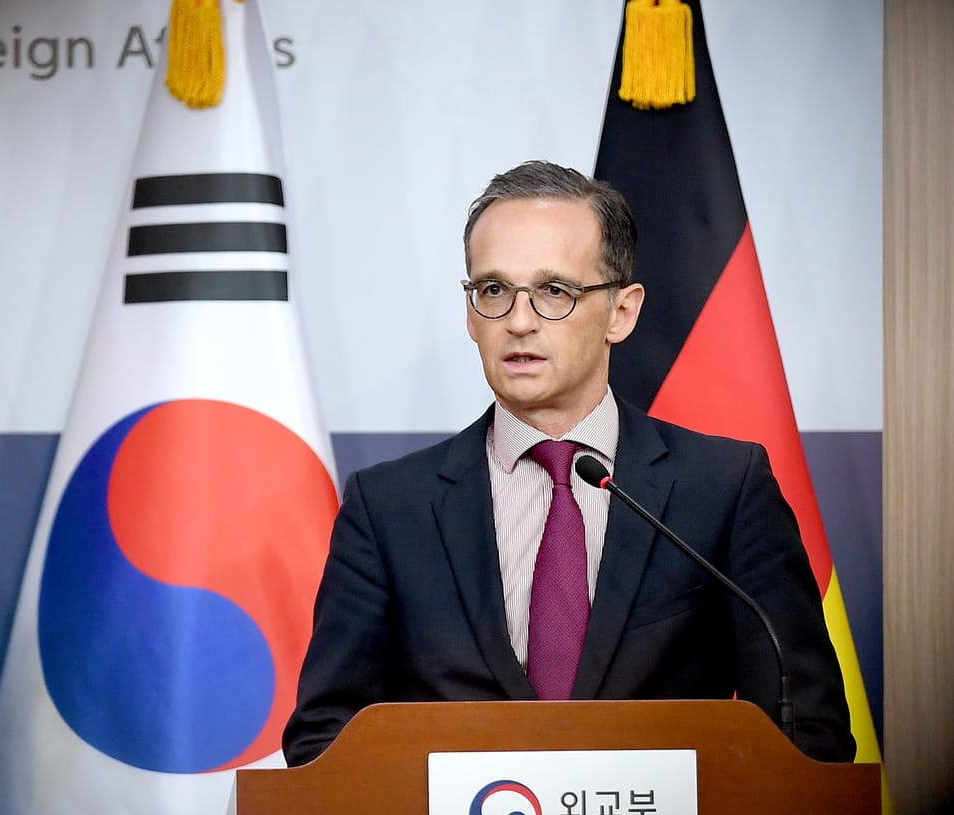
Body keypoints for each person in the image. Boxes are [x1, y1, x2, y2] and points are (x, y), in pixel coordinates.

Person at [281, 160, 853, 766]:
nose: (519, 321)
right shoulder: (389, 507)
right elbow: (324, 742)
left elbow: (805, 732)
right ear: (471, 314)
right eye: (494, 290)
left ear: (621, 313)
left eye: (554, 290)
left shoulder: (724, 489)